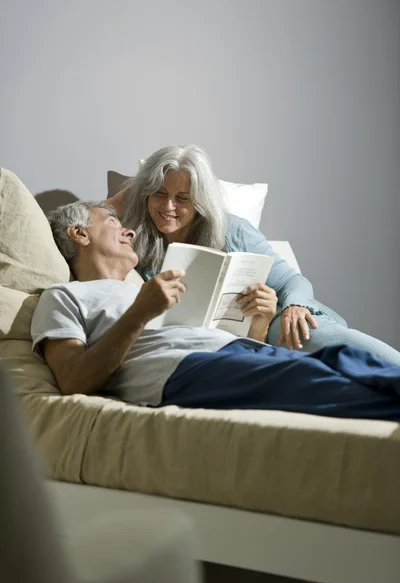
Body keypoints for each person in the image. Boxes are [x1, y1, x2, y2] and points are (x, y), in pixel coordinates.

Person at [30, 201, 400, 422]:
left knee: (345, 357)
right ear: (79, 234)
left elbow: (230, 340)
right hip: (184, 368)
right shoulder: (63, 296)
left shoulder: (144, 287)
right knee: (321, 384)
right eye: (111, 222)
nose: (128, 231)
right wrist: (139, 314)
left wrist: (258, 321)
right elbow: (73, 381)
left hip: (237, 351)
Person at [108, 145, 400, 366]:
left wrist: (294, 307)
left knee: (345, 353)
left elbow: (293, 282)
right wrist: (123, 197)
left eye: (182, 198)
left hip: (279, 327)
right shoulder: (133, 242)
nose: (168, 206)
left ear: (199, 202)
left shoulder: (232, 230)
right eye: (159, 193)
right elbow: (80, 220)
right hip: (215, 347)